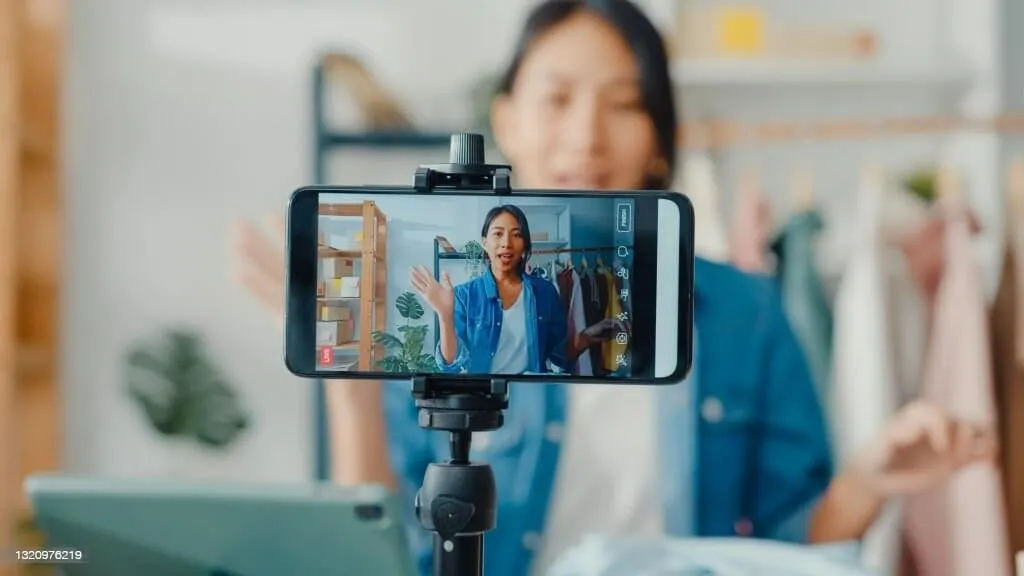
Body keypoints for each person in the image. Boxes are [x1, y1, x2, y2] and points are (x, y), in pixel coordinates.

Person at [232, 2, 997, 575]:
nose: (587, 135)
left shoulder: (744, 315)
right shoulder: (460, 311)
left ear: (661, 136)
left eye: (625, 103)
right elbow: (387, 554)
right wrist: (351, 389)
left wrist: (870, 481)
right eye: (558, 98)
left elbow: (782, 552)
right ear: (507, 119)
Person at [409, 204, 621, 375]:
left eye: (516, 235)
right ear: (484, 242)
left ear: (525, 245)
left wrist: (587, 336)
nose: (506, 243)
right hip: (481, 398)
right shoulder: (464, 296)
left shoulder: (546, 292)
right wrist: (445, 316)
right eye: (498, 234)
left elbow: (561, 357)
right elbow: (451, 365)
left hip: (532, 400)